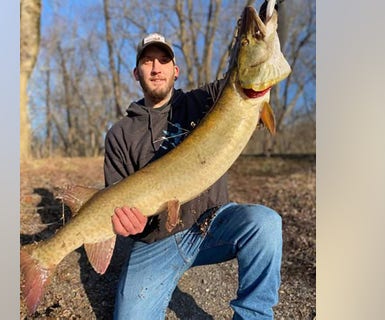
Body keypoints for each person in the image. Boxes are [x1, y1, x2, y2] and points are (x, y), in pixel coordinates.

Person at [103, 33, 283, 320]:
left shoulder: (205, 101)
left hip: (211, 225)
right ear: (136, 73)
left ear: (176, 71)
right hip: (155, 242)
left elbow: (243, 72)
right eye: (147, 61)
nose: (155, 68)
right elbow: (114, 200)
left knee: (265, 224)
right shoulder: (120, 134)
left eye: (164, 60)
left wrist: (256, 28)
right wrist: (127, 223)